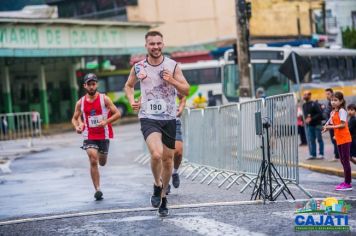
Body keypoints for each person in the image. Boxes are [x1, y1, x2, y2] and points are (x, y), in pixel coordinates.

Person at [124, 31, 189, 217]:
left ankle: (163, 195)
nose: (156, 47)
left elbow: (186, 89)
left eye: (159, 43)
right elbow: (129, 85)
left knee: (168, 160)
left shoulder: (173, 66)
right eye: (152, 44)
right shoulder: (138, 67)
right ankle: (156, 183)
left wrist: (173, 81)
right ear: (146, 46)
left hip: (169, 118)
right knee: (156, 154)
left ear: (163, 44)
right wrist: (131, 100)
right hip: (148, 117)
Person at [71, 73, 121, 200]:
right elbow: (75, 118)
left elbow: (117, 113)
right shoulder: (80, 102)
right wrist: (77, 127)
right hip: (89, 135)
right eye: (89, 84)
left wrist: (106, 122)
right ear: (84, 86)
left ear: (97, 84)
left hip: (103, 135)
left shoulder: (105, 99)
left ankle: (101, 159)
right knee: (93, 159)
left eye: (93, 84)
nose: (92, 87)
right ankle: (98, 189)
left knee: (102, 162)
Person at [322, 92, 352, 191]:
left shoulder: (342, 111)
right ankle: (346, 181)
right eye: (332, 100)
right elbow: (332, 124)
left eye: (336, 100)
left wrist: (330, 127)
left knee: (346, 161)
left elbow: (343, 125)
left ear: (341, 101)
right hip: (339, 139)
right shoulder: (332, 112)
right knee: (343, 161)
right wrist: (327, 128)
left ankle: (348, 183)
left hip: (345, 139)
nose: (333, 102)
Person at [302, 91, 324, 160]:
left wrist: (311, 118)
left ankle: (321, 154)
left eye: (306, 95)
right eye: (304, 95)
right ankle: (313, 154)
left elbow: (320, 113)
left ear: (309, 95)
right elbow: (305, 115)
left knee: (319, 139)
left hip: (317, 124)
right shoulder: (304, 105)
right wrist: (305, 120)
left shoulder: (314, 104)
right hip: (310, 126)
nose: (304, 96)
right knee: (311, 140)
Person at [324, 88, 339, 161]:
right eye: (326, 94)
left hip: (334, 126)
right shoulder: (328, 103)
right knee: (334, 141)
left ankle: (337, 156)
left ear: (332, 93)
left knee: (336, 140)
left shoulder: (334, 104)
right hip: (330, 126)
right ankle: (337, 155)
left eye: (328, 94)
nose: (327, 95)